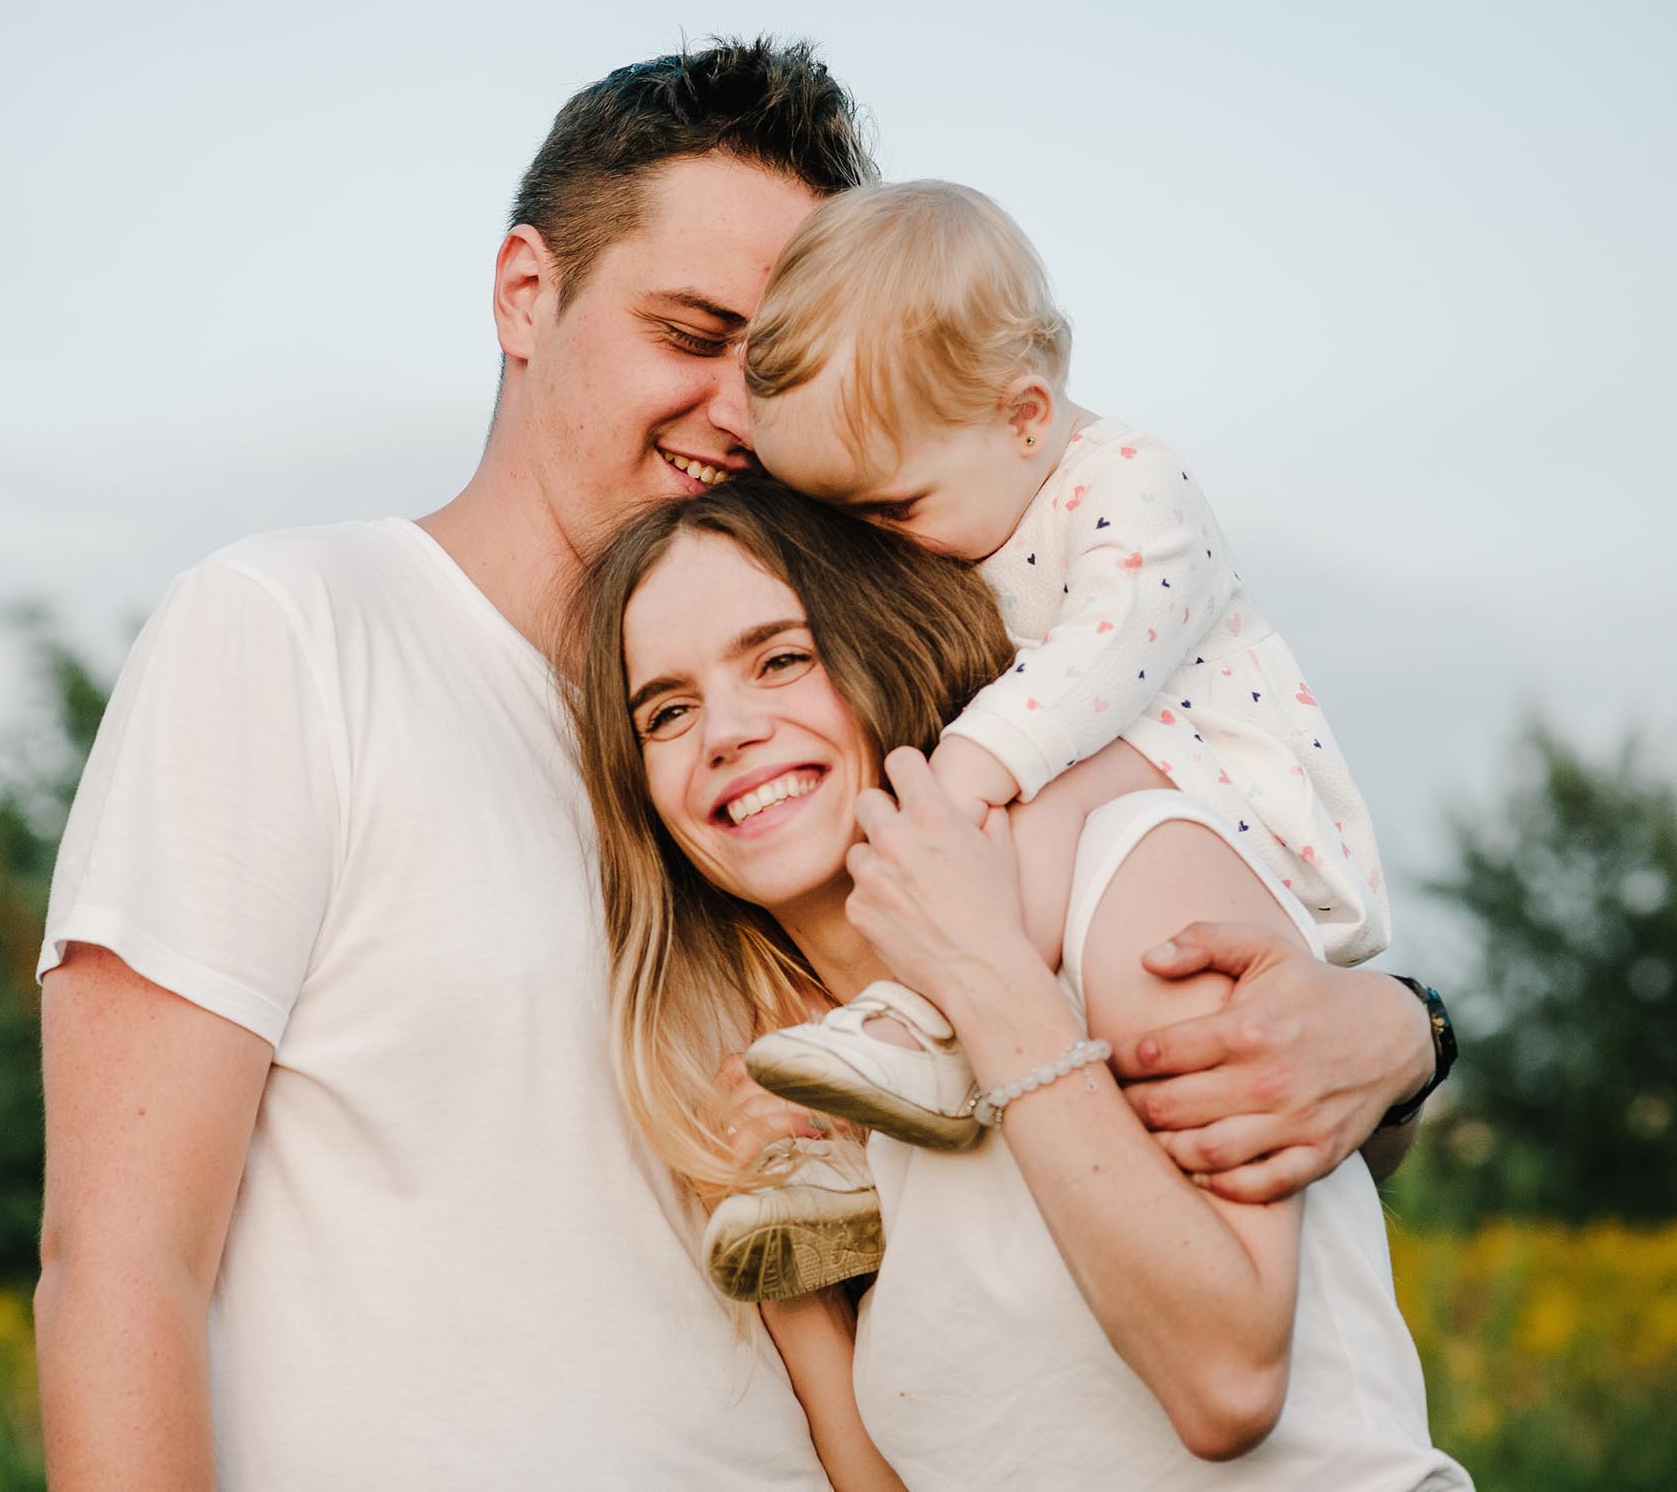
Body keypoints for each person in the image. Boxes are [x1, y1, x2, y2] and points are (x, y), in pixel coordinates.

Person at [31, 39, 1444, 1490]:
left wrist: (1396, 1034)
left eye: (777, 369)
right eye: (692, 334)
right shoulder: (293, 632)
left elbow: (1116, 1107)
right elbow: (121, 1263)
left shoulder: (840, 764)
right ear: (528, 294)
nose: (741, 412)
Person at [570, 476, 1469, 1490]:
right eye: (668, 711)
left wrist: (981, 973)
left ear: (886, 647)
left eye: (781, 659)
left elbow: (1226, 1382)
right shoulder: (824, 1083)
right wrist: (789, 1265)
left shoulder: (1133, 871)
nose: (724, 731)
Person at [738, 179, 1396, 1149]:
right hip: (1120, 830)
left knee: (1052, 776)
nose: (882, 549)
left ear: (1024, 417)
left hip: (1240, 812)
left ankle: (932, 1017)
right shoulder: (976, 496)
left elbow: (1106, 655)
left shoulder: (1131, 483)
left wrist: (969, 765)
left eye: (892, 512)